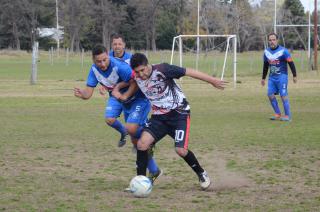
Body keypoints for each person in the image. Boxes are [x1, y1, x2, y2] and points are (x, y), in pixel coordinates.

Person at [115, 52, 226, 190]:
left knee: (180, 150)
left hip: (179, 113)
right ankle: (140, 182)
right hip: (159, 118)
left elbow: (189, 71)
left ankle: (201, 173)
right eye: (137, 72)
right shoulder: (137, 78)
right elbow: (127, 92)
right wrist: (117, 90)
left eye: (142, 70)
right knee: (142, 144)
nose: (141, 74)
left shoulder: (163, 69)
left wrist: (212, 80)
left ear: (147, 64)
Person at [74, 45, 161, 183]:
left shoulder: (119, 66)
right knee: (134, 139)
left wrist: (125, 95)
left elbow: (136, 81)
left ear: (108, 56)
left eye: (104, 60)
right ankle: (154, 169)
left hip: (138, 99)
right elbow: (88, 93)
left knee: (132, 130)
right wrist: (81, 95)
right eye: (99, 61)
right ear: (93, 60)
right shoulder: (94, 70)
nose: (102, 64)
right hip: (121, 100)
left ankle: (149, 137)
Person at [98, 34, 132, 147]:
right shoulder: (106, 58)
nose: (117, 46)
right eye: (114, 44)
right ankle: (123, 132)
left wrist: (118, 86)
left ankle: (143, 145)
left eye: (119, 44)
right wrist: (103, 85)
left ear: (124, 45)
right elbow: (103, 74)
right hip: (115, 96)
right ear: (111, 45)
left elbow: (134, 79)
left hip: (131, 95)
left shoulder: (130, 59)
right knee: (109, 119)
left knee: (135, 126)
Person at [261, 33, 297, 121]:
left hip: (282, 76)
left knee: (283, 95)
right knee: (270, 95)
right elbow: (265, 66)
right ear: (268, 41)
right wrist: (263, 78)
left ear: (277, 40)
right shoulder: (266, 52)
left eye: (273, 40)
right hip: (272, 78)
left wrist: (294, 75)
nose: (272, 41)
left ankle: (288, 116)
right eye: (270, 40)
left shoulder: (284, 51)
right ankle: (277, 113)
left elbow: (291, 63)